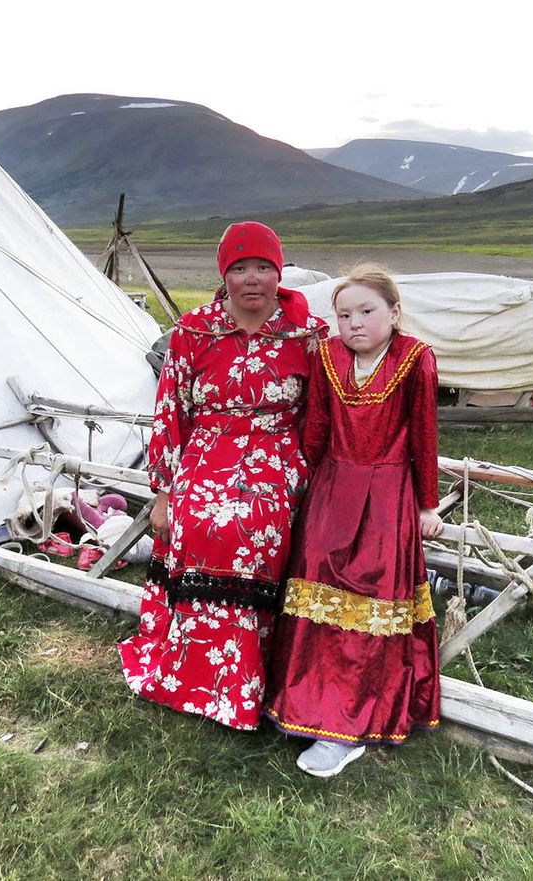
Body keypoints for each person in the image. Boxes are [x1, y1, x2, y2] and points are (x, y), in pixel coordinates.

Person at [118, 221, 326, 730]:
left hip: (279, 461)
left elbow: (322, 416)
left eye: (263, 267)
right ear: (223, 274)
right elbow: (170, 414)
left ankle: (253, 683)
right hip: (205, 459)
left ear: (279, 272)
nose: (251, 279)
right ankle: (195, 675)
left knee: (257, 526)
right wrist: (163, 495)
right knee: (205, 524)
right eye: (239, 268)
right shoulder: (194, 331)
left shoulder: (310, 335)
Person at [264, 264, 443, 777]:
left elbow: (423, 437)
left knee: (369, 595)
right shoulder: (327, 355)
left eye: (366, 312)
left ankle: (349, 725)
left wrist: (427, 505)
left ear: (394, 313)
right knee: (316, 582)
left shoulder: (415, 360)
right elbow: (316, 427)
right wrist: (301, 484)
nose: (355, 323)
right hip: (331, 488)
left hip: (388, 492)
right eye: (344, 315)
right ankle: (305, 702)